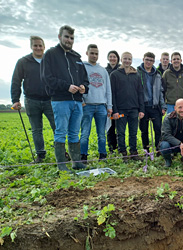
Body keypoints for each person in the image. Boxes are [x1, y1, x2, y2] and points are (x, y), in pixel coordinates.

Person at [41, 25, 89, 172]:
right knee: (61, 131)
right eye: (67, 36)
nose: (69, 40)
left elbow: (85, 79)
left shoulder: (77, 57)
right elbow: (46, 78)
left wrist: (83, 87)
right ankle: (61, 164)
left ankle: (76, 162)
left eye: (71, 38)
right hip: (60, 100)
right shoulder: (50, 54)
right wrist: (66, 86)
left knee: (75, 132)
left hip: (77, 101)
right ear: (59, 37)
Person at [11, 36, 56, 163]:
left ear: (44, 47)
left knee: (57, 127)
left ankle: (61, 152)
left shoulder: (50, 62)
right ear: (31, 46)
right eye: (35, 45)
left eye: (40, 45)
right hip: (31, 100)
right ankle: (40, 156)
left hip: (50, 100)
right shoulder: (23, 62)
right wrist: (15, 99)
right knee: (36, 130)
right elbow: (16, 81)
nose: (38, 48)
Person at [80, 44, 112, 162]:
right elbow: (79, 85)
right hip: (87, 105)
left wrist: (109, 106)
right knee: (85, 133)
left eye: (96, 53)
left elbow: (108, 89)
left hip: (101, 106)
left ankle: (102, 155)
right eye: (92, 53)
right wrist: (82, 101)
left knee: (102, 134)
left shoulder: (103, 70)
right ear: (87, 53)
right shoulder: (82, 67)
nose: (94, 55)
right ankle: (83, 156)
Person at [110, 52, 144, 162]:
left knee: (133, 132)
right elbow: (113, 94)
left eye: (129, 59)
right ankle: (123, 153)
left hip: (134, 109)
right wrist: (114, 110)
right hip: (120, 109)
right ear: (121, 59)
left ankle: (133, 152)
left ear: (132, 60)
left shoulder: (136, 75)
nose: (127, 61)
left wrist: (141, 109)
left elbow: (140, 93)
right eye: (125, 59)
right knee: (120, 132)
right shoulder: (115, 75)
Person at [137, 52, 167, 152]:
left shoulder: (157, 74)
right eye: (147, 60)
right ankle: (146, 150)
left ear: (154, 61)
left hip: (155, 106)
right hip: (143, 106)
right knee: (144, 130)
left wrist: (163, 106)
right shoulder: (138, 73)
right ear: (143, 59)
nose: (149, 62)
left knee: (158, 129)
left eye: (151, 60)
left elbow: (160, 92)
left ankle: (158, 150)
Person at [105, 50, 121, 153]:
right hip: (108, 102)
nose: (112, 59)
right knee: (110, 126)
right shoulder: (105, 70)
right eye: (110, 57)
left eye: (114, 57)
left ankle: (120, 146)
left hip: (119, 102)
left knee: (119, 127)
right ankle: (111, 147)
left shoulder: (121, 70)